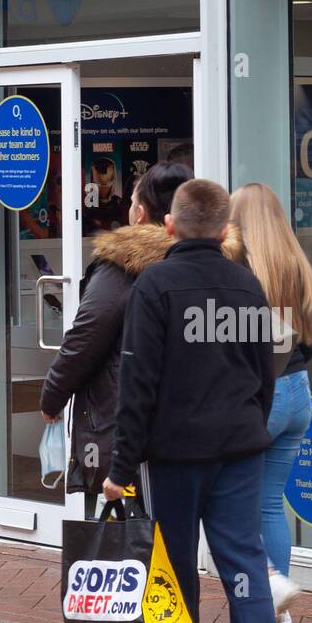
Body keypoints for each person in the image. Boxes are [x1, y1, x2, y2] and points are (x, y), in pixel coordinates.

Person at [103, 178, 288, 623]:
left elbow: (136, 385)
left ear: (168, 225)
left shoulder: (155, 287)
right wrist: (250, 424)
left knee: (172, 567)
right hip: (239, 449)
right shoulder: (247, 285)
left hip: (176, 455)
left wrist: (120, 467)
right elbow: (265, 373)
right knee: (244, 564)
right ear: (226, 229)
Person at [41, 161, 242, 504]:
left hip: (132, 422)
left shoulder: (123, 266)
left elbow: (87, 334)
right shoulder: (222, 264)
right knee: (180, 529)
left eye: (133, 202)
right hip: (206, 422)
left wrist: (53, 394)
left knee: (125, 539)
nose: (130, 209)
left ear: (142, 213)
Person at [229, 183, 312, 623]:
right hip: (299, 392)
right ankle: (278, 615)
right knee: (269, 504)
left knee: (236, 505)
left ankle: (269, 598)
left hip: (260, 397)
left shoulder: (240, 268)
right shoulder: (297, 263)